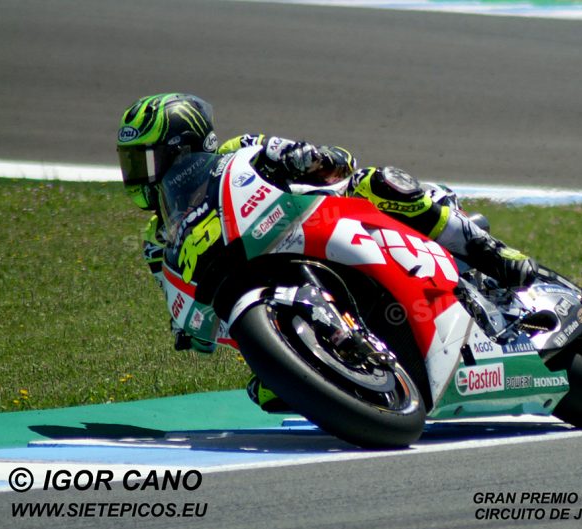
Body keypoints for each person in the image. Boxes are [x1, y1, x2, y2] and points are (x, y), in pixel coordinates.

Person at [117, 93, 535, 411]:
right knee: (267, 393)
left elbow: (341, 163)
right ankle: (322, 357)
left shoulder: (238, 149)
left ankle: (486, 250)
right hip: (265, 277)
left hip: (318, 218)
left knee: (378, 181)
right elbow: (192, 315)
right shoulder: (159, 240)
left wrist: (309, 157)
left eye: (145, 161)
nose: (137, 175)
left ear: (182, 148)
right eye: (131, 164)